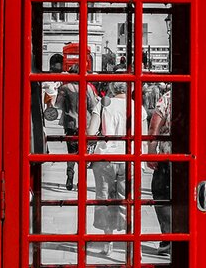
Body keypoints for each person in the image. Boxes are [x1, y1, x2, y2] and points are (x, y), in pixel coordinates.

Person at [88, 81, 148, 256]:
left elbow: (91, 133)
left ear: (113, 88)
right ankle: (132, 245)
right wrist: (142, 163)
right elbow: (143, 138)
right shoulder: (138, 108)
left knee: (105, 199)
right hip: (130, 159)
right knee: (128, 201)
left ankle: (108, 243)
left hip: (105, 158)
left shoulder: (104, 103)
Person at [54, 58, 99, 192]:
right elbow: (93, 106)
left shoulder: (65, 88)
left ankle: (69, 177)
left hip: (70, 123)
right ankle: (81, 182)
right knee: (83, 154)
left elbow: (58, 104)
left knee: (71, 153)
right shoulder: (88, 88)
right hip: (85, 124)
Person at [145, 84, 173, 258]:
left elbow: (154, 127)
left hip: (167, 156)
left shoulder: (168, 98)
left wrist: (150, 152)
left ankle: (168, 240)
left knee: (162, 196)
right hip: (198, 159)